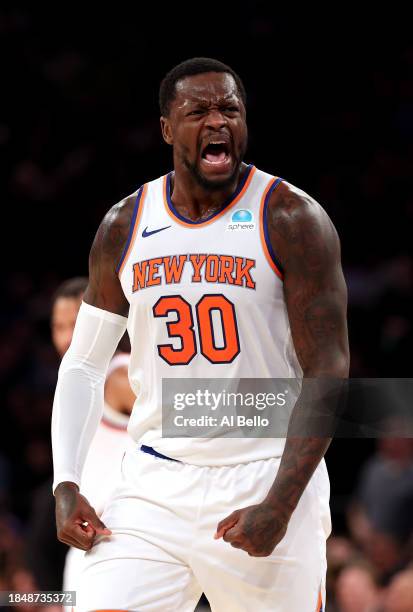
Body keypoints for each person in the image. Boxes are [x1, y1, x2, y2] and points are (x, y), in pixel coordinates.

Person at [51, 57, 349, 611]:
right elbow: (85, 363)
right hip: (151, 484)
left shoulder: (291, 218)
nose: (218, 122)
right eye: (199, 111)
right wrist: (65, 481)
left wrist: (281, 504)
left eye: (230, 109)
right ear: (167, 128)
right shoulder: (126, 224)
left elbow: (327, 372)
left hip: (263, 474)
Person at [26, 277, 134, 600]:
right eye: (59, 326)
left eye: (77, 323)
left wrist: (271, 402)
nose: (68, 336)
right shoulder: (73, 384)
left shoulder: (118, 373)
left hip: (123, 540)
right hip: (89, 543)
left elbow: (190, 409)